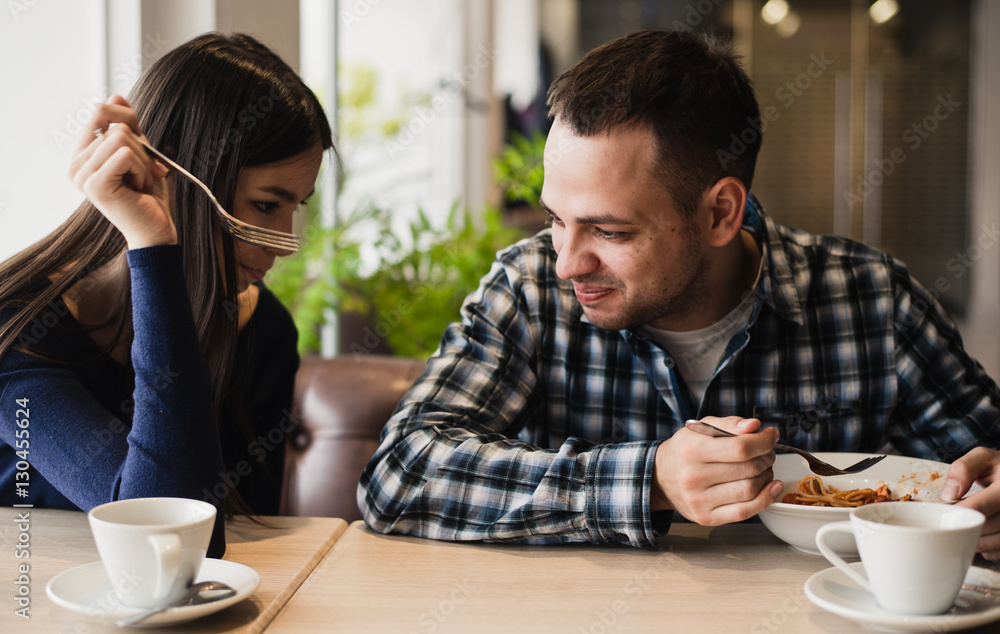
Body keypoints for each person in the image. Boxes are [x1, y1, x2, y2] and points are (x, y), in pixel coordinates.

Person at [358, 29, 1000, 558]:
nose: (567, 264)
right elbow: (400, 475)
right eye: (556, 219)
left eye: (609, 230)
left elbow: (983, 455)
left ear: (722, 212)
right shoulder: (528, 291)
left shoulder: (873, 302)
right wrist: (648, 480)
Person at [0, 33, 333, 557]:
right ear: (173, 177)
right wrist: (153, 244)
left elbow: (219, 551)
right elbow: (159, 530)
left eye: (297, 207)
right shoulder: (20, 327)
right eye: (268, 204)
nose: (287, 243)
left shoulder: (263, 331)